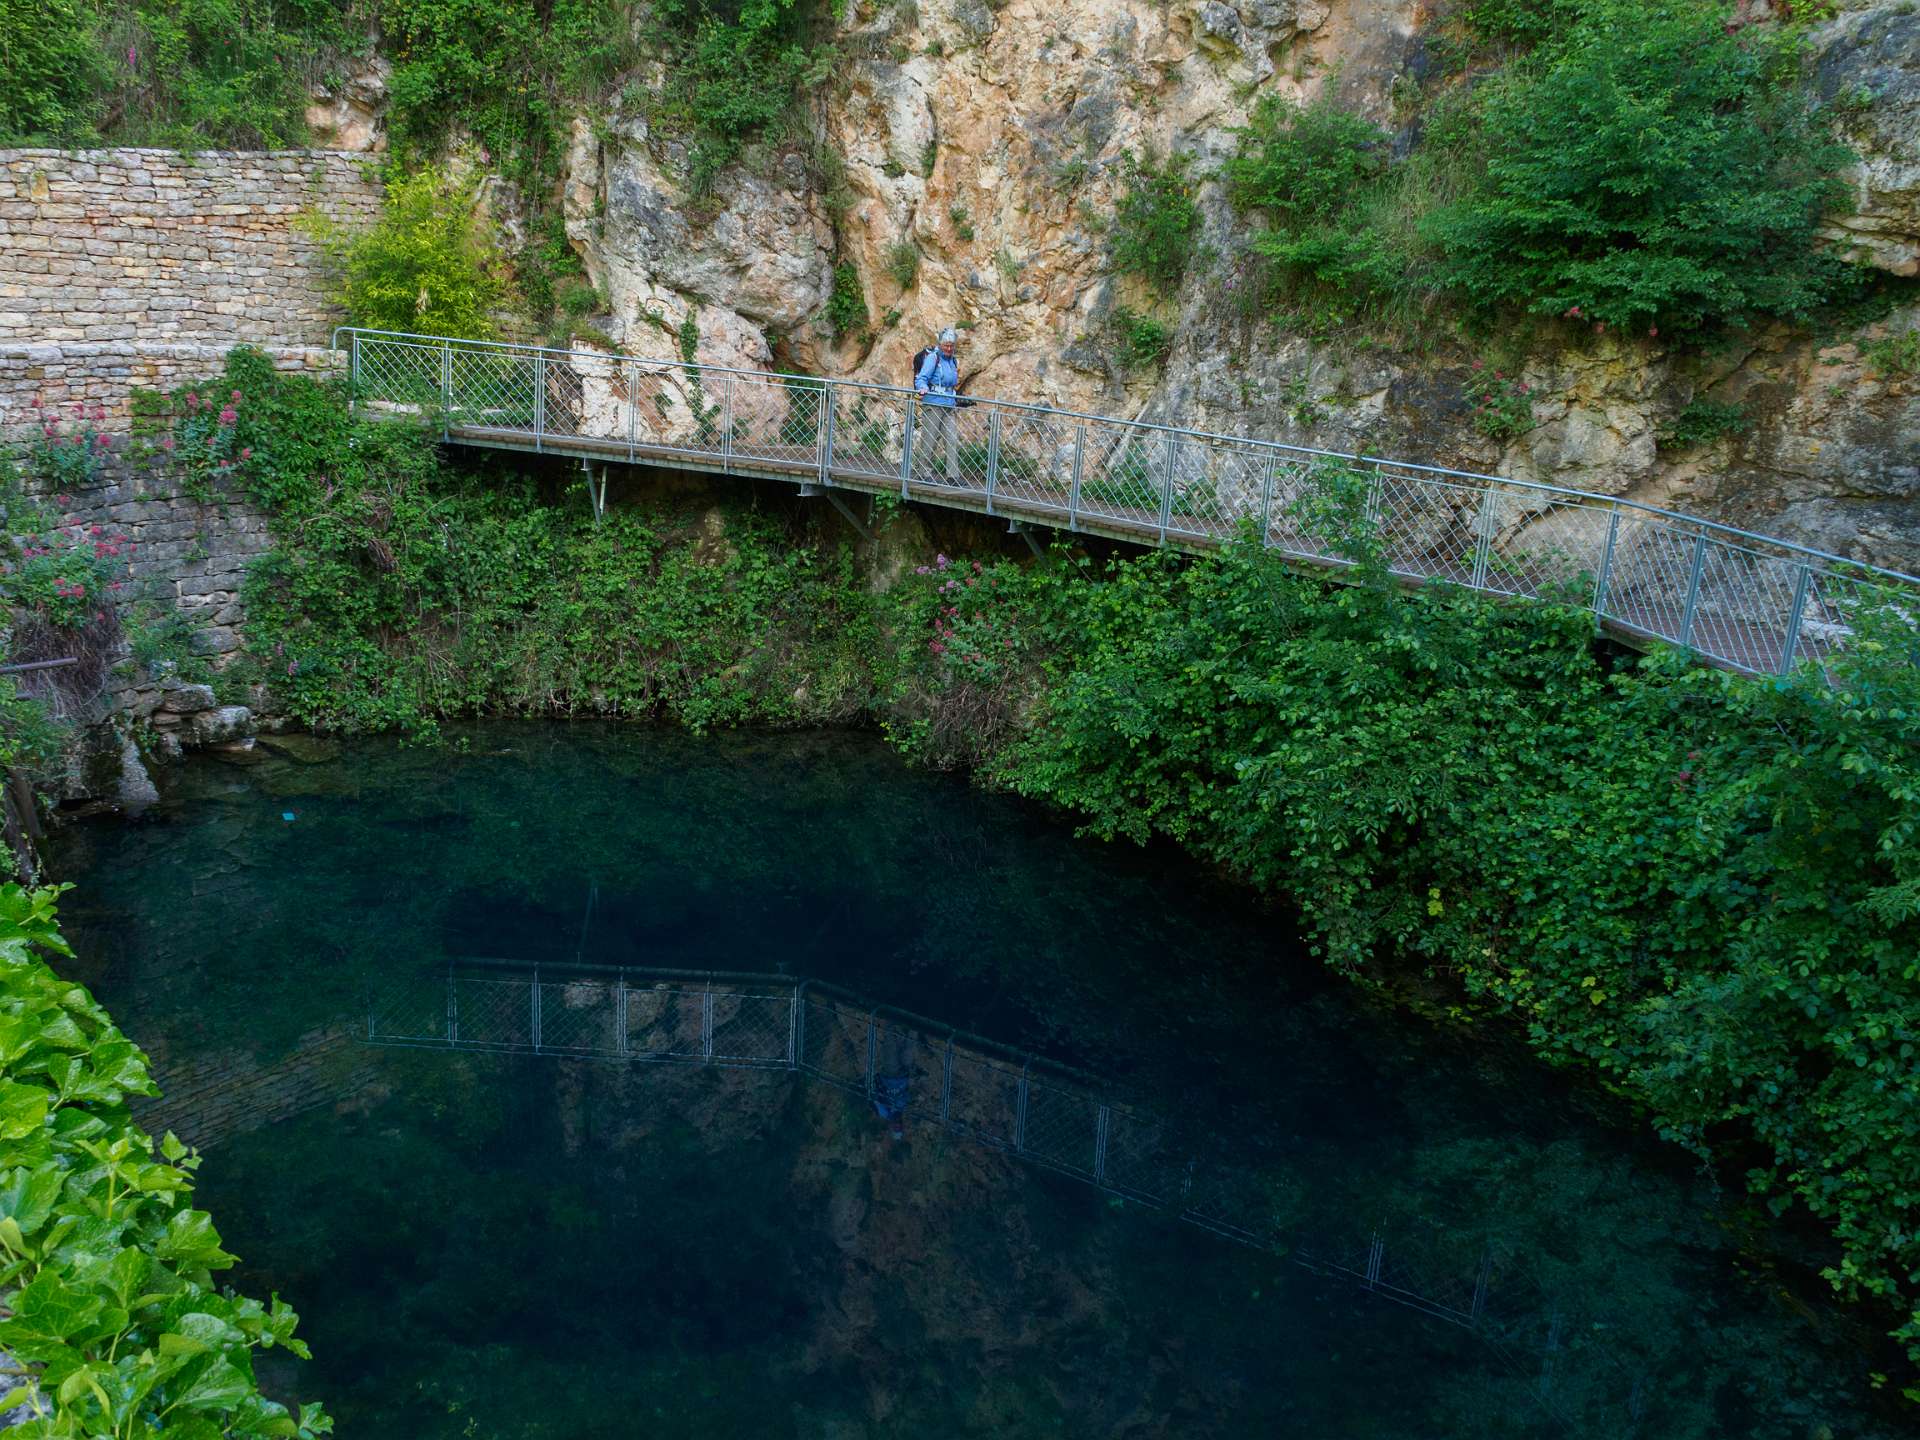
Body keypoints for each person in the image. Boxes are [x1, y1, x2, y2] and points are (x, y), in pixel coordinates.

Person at [913, 327, 963, 486]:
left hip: (949, 404)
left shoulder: (953, 360)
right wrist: (922, 388)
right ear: (940, 345)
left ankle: (953, 476)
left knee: (952, 439)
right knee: (930, 439)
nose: (948, 348)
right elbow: (921, 378)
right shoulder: (933, 358)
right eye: (946, 345)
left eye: (951, 346)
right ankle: (924, 473)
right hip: (933, 403)